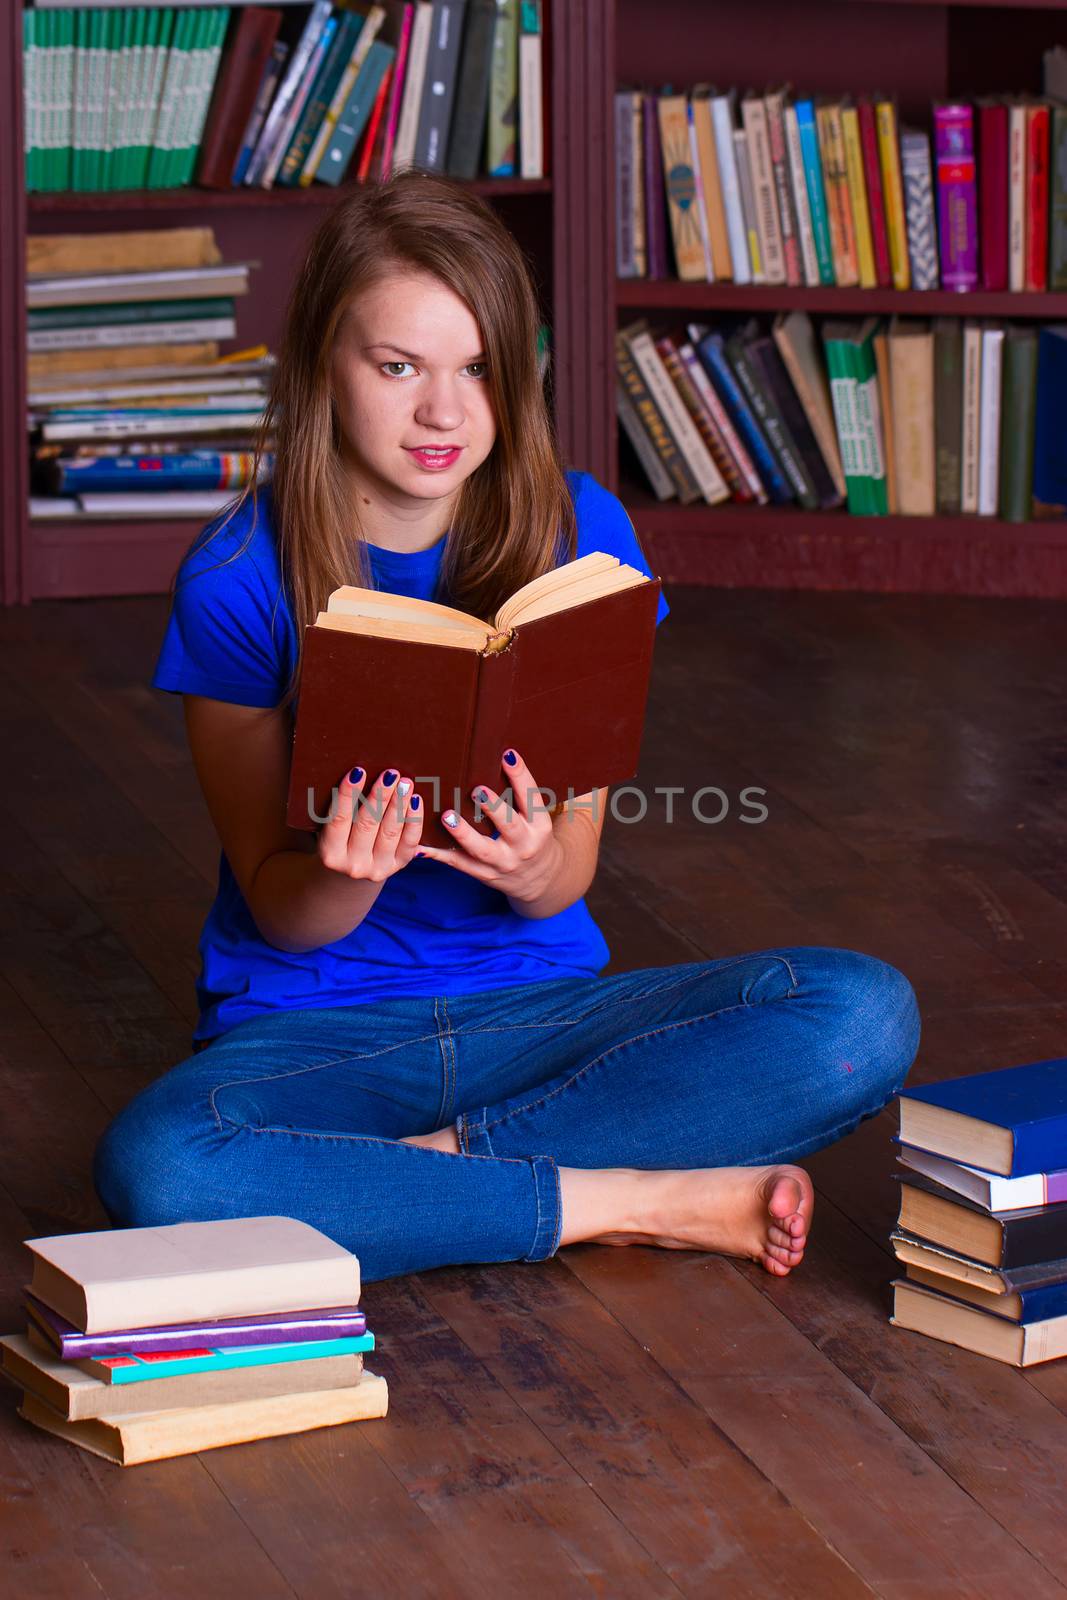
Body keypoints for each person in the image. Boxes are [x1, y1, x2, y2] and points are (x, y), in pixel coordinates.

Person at [92, 171, 920, 1285]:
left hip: (540, 1019)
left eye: (477, 367)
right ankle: (624, 1200)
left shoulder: (583, 531)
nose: (444, 414)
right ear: (320, 364)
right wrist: (349, 874)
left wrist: (536, 864)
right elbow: (279, 905)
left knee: (859, 1016)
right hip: (318, 1032)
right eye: (397, 367)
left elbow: (568, 873)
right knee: (162, 1172)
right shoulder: (238, 577)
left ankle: (419, 1179)